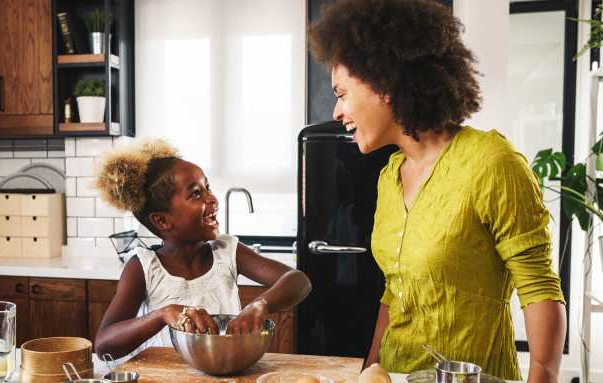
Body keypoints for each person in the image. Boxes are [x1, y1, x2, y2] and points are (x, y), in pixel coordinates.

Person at [308, 0, 566, 381]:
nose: (336, 111)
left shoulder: (491, 162)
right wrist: (370, 370)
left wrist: (542, 377)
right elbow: (394, 294)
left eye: (342, 93)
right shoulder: (389, 175)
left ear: (385, 84)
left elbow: (539, 287)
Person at [92, 139, 312, 359]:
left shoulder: (227, 252)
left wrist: (259, 305)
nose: (213, 199)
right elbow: (103, 346)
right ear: (162, 220)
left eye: (207, 187)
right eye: (196, 194)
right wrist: (162, 315)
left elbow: (299, 281)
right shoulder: (144, 267)